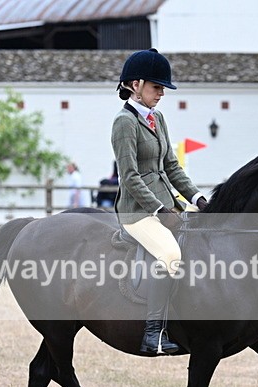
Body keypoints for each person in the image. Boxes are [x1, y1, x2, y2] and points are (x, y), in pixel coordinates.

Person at [111, 48, 209, 355]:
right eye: (156, 87)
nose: (162, 93)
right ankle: (153, 333)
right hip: (137, 213)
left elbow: (172, 166)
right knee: (169, 253)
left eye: (162, 88)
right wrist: (158, 210)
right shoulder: (124, 123)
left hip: (167, 204)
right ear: (136, 85)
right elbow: (129, 176)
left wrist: (197, 198)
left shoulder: (158, 118)